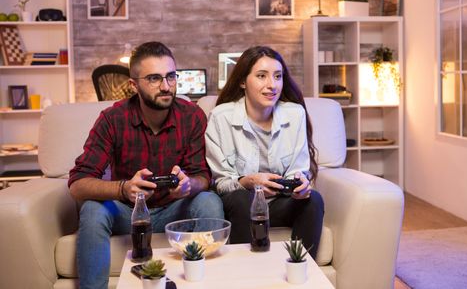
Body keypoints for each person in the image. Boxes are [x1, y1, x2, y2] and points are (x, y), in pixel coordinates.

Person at [69, 41, 224, 289]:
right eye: (154, 78)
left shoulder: (192, 116)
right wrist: (123, 188)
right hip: (127, 212)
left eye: (171, 77)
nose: (166, 86)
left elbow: (203, 177)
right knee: (92, 209)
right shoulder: (112, 119)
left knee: (209, 200)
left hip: (174, 209)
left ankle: (204, 284)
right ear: (134, 85)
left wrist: (188, 185)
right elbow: (78, 184)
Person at [205, 45, 324, 259]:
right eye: (261, 76)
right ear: (243, 81)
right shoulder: (220, 117)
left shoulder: (295, 114)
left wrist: (300, 185)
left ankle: (301, 272)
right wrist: (248, 181)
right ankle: (250, 273)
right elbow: (220, 182)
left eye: (278, 76)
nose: (272, 85)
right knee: (241, 198)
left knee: (313, 200)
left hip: (280, 203)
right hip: (240, 207)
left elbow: (299, 170)